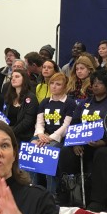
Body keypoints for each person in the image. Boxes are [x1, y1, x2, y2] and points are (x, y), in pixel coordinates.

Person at [59, 69, 107, 212]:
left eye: (99, 83)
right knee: (65, 152)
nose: (95, 86)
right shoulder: (84, 104)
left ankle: (98, 200)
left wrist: (105, 141)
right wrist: (75, 143)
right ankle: (68, 192)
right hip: (85, 143)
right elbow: (74, 124)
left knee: (101, 154)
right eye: (94, 83)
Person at [33, 72, 76, 200]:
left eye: (58, 84)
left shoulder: (70, 103)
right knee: (30, 149)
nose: (54, 86)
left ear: (65, 86)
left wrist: (50, 138)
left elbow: (66, 126)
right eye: (52, 83)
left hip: (60, 138)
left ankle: (51, 194)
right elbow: (39, 122)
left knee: (48, 154)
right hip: (43, 136)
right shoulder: (45, 102)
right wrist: (40, 135)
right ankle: (33, 190)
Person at [2, 69, 38, 143]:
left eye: (17, 76)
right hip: (8, 133)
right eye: (12, 77)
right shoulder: (9, 97)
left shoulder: (31, 98)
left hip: (24, 135)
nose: (13, 79)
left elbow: (28, 121)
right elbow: (3, 116)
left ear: (24, 79)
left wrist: (11, 132)